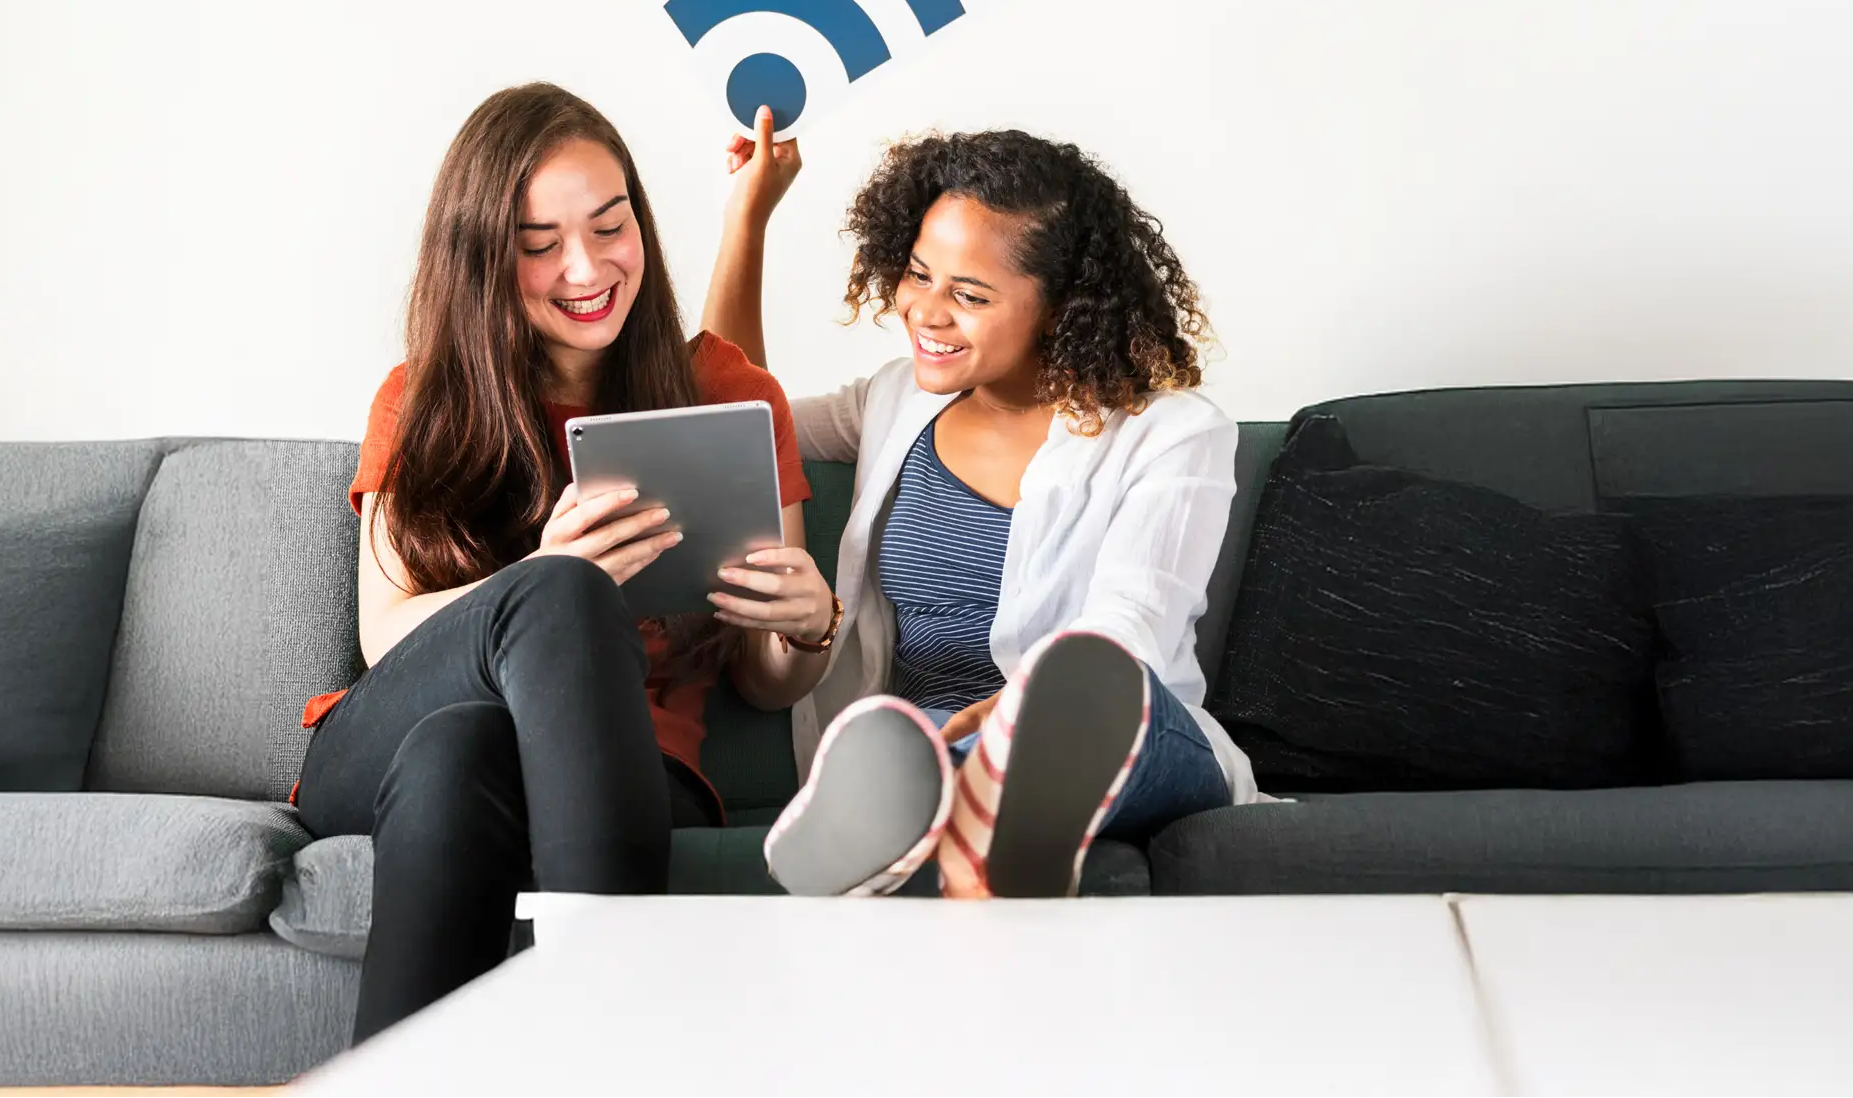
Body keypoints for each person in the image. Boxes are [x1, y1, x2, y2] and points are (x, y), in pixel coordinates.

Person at [295, 84, 837, 1036]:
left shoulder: (725, 393)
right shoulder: (420, 397)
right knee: (552, 594)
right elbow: (387, 638)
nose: (585, 267)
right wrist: (544, 579)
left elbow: (766, 682)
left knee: (456, 756)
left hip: (625, 765)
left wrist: (807, 626)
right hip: (373, 745)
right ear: (481, 258)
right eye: (538, 244)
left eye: (610, 225)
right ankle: (615, 1035)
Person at [703, 108, 1257, 899]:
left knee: (1099, 693)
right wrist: (747, 217)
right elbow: (738, 421)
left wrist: (1025, 714)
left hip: (1129, 747)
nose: (926, 312)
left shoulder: (1174, 434)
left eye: (969, 294)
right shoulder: (894, 403)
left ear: (1062, 306)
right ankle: (959, 812)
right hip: (936, 744)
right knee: (930, 756)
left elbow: (1130, 625)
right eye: (919, 274)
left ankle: (946, 803)